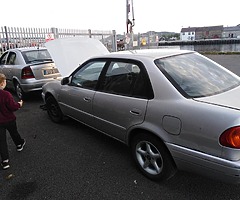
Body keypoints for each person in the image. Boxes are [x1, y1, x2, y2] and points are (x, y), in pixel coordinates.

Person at [0, 73, 25, 170]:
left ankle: (5, 161)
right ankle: (19, 144)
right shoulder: (6, 94)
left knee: (1, 141)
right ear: (2, 83)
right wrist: (19, 104)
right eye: (5, 81)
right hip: (9, 119)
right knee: (14, 133)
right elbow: (12, 107)